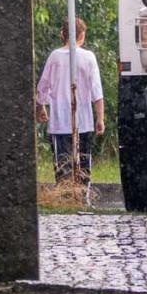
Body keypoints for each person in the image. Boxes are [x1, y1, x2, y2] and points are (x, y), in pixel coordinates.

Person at [34, 17, 105, 183]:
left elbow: (43, 85)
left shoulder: (55, 57)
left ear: (62, 35)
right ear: (81, 36)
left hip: (60, 122)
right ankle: (83, 194)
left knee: (62, 163)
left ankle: (63, 195)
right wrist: (100, 118)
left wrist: (41, 106)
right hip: (84, 121)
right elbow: (97, 91)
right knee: (84, 161)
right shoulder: (89, 57)